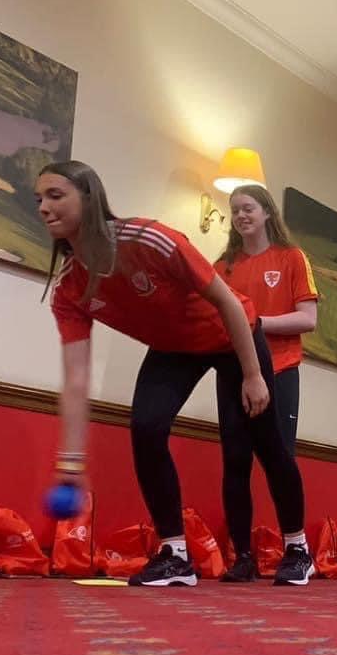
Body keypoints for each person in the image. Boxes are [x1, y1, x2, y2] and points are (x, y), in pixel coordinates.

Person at [37, 160, 314, 587]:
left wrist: (253, 375)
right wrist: (70, 462)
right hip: (174, 348)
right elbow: (75, 381)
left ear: (89, 199)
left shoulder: (150, 239)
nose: (43, 206)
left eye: (55, 195)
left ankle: (297, 547)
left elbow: (229, 303)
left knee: (268, 443)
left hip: (229, 334)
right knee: (146, 427)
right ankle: (175, 554)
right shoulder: (70, 290)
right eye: (39, 199)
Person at [216, 185, 318, 458]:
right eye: (235, 211)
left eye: (248, 209)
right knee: (235, 462)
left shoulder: (292, 258)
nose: (241, 216)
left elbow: (308, 319)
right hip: (233, 373)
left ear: (267, 213)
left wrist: (254, 322)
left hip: (280, 369)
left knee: (281, 461)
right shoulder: (223, 266)